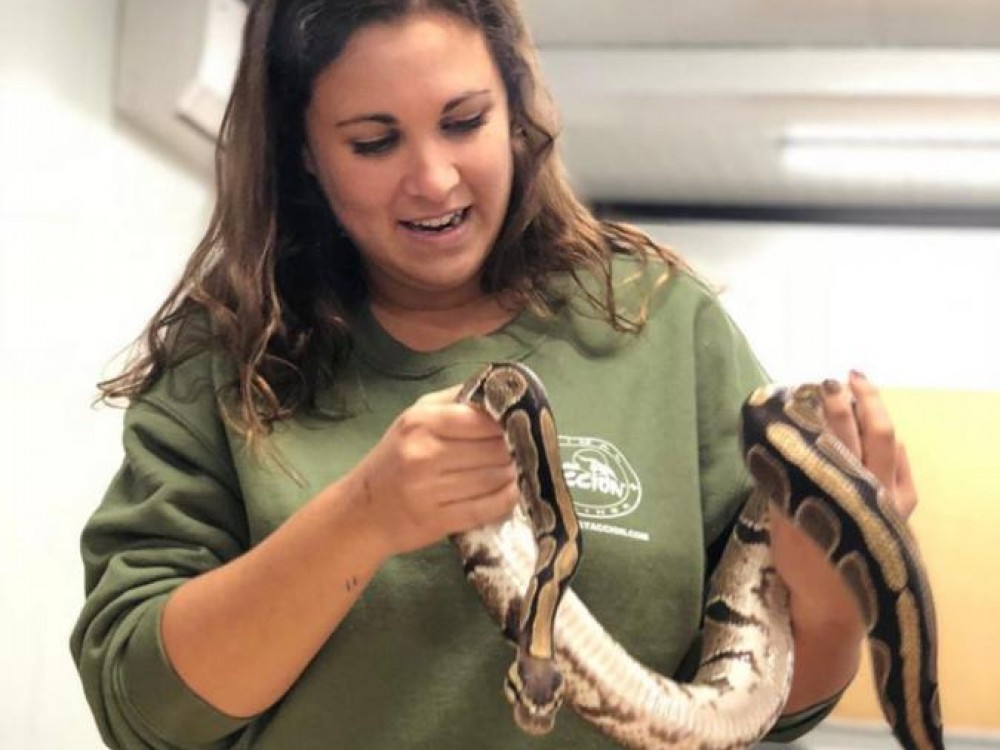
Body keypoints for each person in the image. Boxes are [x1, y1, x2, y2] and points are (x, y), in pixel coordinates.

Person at [70, 0, 920, 748]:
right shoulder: (224, 359)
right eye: (374, 141)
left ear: (515, 115)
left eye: (464, 121)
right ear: (304, 153)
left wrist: (834, 593)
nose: (434, 179)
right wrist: (362, 516)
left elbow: (767, 708)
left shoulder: (662, 323)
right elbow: (145, 710)